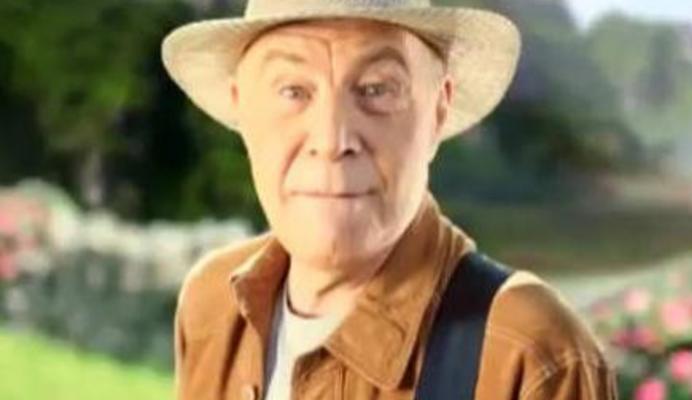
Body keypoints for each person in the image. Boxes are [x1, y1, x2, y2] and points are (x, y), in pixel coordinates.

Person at [161, 1, 618, 399]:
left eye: (376, 89)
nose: (332, 139)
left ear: (438, 110)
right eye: (293, 91)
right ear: (241, 107)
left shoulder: (528, 351)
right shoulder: (211, 305)